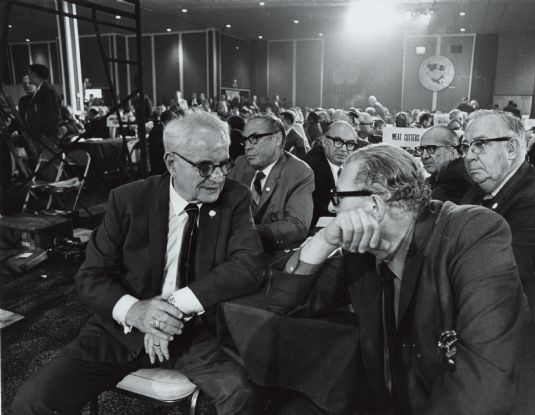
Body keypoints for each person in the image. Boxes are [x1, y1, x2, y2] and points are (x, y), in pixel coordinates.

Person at [263, 144, 535, 414]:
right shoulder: (363, 252)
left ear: (375, 205)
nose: (332, 207)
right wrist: (323, 242)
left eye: (338, 197)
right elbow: (284, 304)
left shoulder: (472, 232)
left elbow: (485, 381)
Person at [11, 112, 265, 414]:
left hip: (194, 333)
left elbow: (249, 265)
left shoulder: (235, 197)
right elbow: (90, 277)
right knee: (33, 401)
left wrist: (172, 307)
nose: (220, 176)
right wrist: (136, 311)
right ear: (172, 164)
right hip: (119, 331)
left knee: (243, 395)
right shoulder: (128, 199)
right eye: (206, 167)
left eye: (224, 164)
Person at [461, 110, 535, 361]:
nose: (469, 156)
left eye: (479, 145)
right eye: (466, 146)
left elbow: (494, 277)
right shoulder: (478, 192)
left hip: (517, 345)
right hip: (483, 318)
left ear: (511, 148)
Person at [229, 112, 314, 253]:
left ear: (277, 138)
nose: (247, 147)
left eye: (254, 138)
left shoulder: (299, 172)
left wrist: (245, 233)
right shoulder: (241, 163)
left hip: (271, 254)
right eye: (245, 140)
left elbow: (297, 225)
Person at [303, 121, 357, 228]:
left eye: (350, 144)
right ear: (324, 141)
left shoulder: (352, 164)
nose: (343, 149)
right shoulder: (311, 167)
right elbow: (324, 207)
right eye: (338, 141)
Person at [416, 126, 471, 203]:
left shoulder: (457, 178)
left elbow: (424, 207)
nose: (424, 156)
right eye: (421, 149)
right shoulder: (437, 176)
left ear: (452, 152)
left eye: (431, 149)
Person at [23, 63, 62, 154]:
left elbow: (52, 115)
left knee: (47, 163)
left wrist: (45, 135)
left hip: (45, 138)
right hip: (40, 137)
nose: (28, 76)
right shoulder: (40, 90)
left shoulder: (48, 91)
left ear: (35, 75)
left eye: (30, 73)